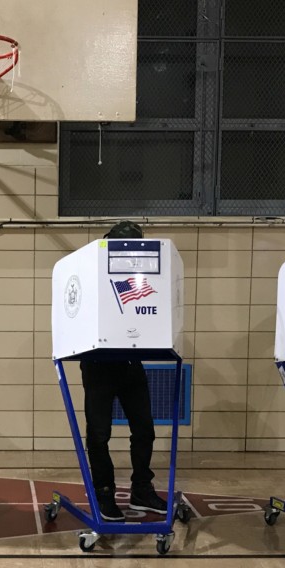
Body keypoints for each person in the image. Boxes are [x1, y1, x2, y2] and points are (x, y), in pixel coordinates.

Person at [79, 220, 167, 522]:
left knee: (144, 429)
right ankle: (104, 492)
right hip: (98, 363)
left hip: (130, 361)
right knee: (98, 434)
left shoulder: (141, 277)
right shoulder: (93, 272)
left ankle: (141, 489)